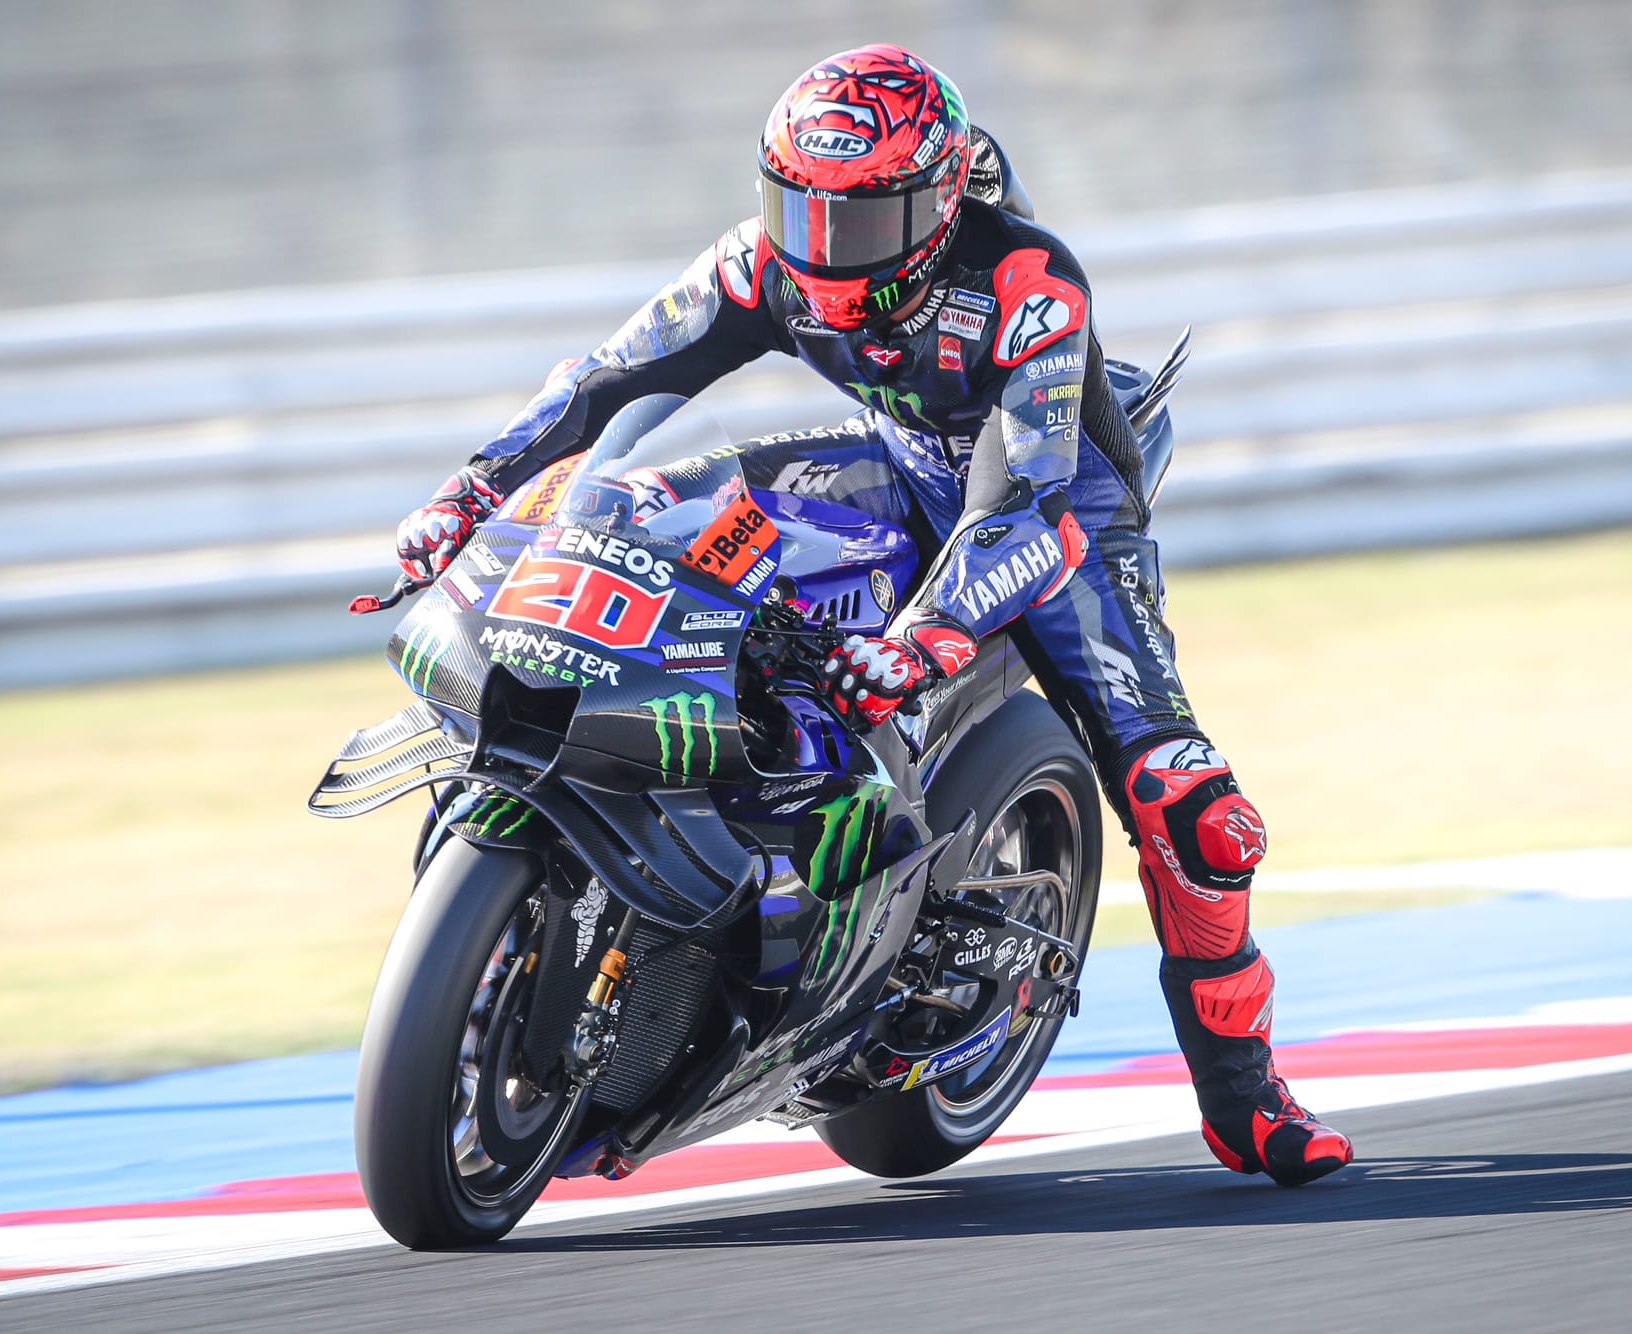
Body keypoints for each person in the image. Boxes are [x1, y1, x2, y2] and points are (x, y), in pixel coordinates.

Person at [394, 43, 1351, 1187]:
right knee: (677, 517)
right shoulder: (767, 264)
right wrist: (473, 488)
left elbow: (1027, 507)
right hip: (896, 464)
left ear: (937, 206)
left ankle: (1245, 1098)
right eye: (793, 210)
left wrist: (926, 635)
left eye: (853, 223)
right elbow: (607, 380)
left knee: (1191, 808)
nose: (817, 251)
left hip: (1057, 520)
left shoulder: (1026, 287)